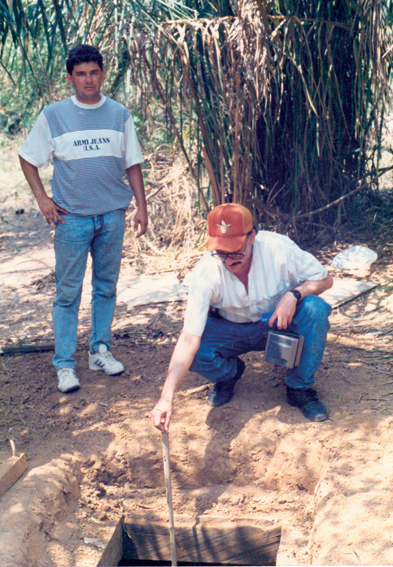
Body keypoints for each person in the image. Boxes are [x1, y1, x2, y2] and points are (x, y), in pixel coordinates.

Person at [19, 44, 147, 394]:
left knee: (105, 287)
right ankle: (64, 364)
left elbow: (132, 163)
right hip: (71, 219)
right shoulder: (54, 115)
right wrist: (43, 199)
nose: (88, 80)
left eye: (94, 72)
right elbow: (28, 158)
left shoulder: (119, 114)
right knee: (67, 293)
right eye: (81, 74)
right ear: (70, 78)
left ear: (102, 74)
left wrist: (142, 206)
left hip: (111, 215)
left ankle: (101, 351)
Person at [152, 203, 333, 431]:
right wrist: (166, 397)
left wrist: (295, 294)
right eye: (221, 252)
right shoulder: (206, 270)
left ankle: (299, 388)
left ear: (252, 237)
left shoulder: (278, 248)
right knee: (196, 352)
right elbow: (189, 337)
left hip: (274, 323)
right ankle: (230, 374)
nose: (229, 260)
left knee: (315, 309)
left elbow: (326, 280)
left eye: (236, 250)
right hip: (229, 327)